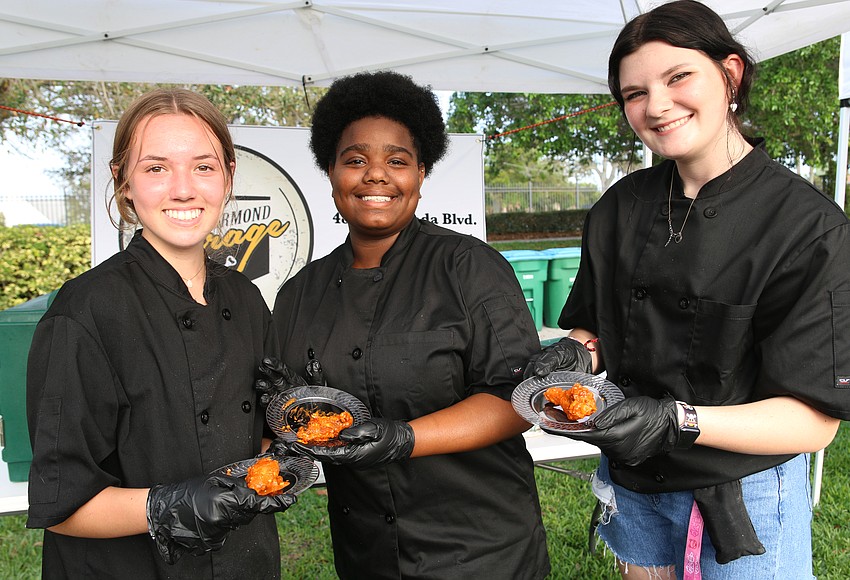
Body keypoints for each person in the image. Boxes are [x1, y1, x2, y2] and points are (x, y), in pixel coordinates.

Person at [526, 1, 850, 578]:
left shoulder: (807, 228)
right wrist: (577, 353)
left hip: (742, 494)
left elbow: (813, 421)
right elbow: (599, 327)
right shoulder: (618, 208)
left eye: (679, 77)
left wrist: (676, 419)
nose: (656, 106)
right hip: (634, 476)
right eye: (633, 93)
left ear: (731, 73)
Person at [266, 70, 550, 579]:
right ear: (330, 171)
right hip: (367, 550)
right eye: (355, 160)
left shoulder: (469, 269)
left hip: (479, 549)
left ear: (421, 173)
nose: (376, 175)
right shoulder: (299, 294)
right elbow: (290, 416)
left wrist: (404, 438)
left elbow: (519, 399)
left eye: (397, 161)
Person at [25, 88, 296, 579]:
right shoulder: (85, 311)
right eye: (156, 168)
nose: (183, 189)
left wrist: (288, 436)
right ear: (123, 181)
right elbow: (61, 502)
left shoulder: (246, 299)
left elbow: (256, 445)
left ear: (229, 177)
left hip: (246, 563)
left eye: (203, 166)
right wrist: (169, 505)